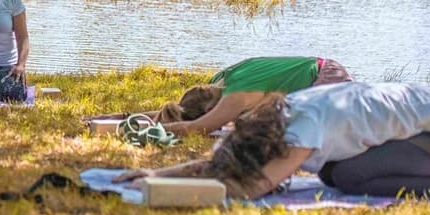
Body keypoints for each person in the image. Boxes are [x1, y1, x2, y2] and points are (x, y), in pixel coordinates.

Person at [113, 81, 430, 200]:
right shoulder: (281, 115)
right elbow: (223, 161)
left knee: (347, 178)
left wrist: (164, 190)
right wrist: (158, 171)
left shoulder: (302, 131)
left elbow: (251, 186)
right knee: (336, 172)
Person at [143, 56, 352, 136]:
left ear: (208, 110)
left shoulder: (237, 97)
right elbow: (179, 111)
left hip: (328, 82)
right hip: (326, 68)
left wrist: (151, 130)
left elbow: (197, 128)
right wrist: (123, 116)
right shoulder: (221, 79)